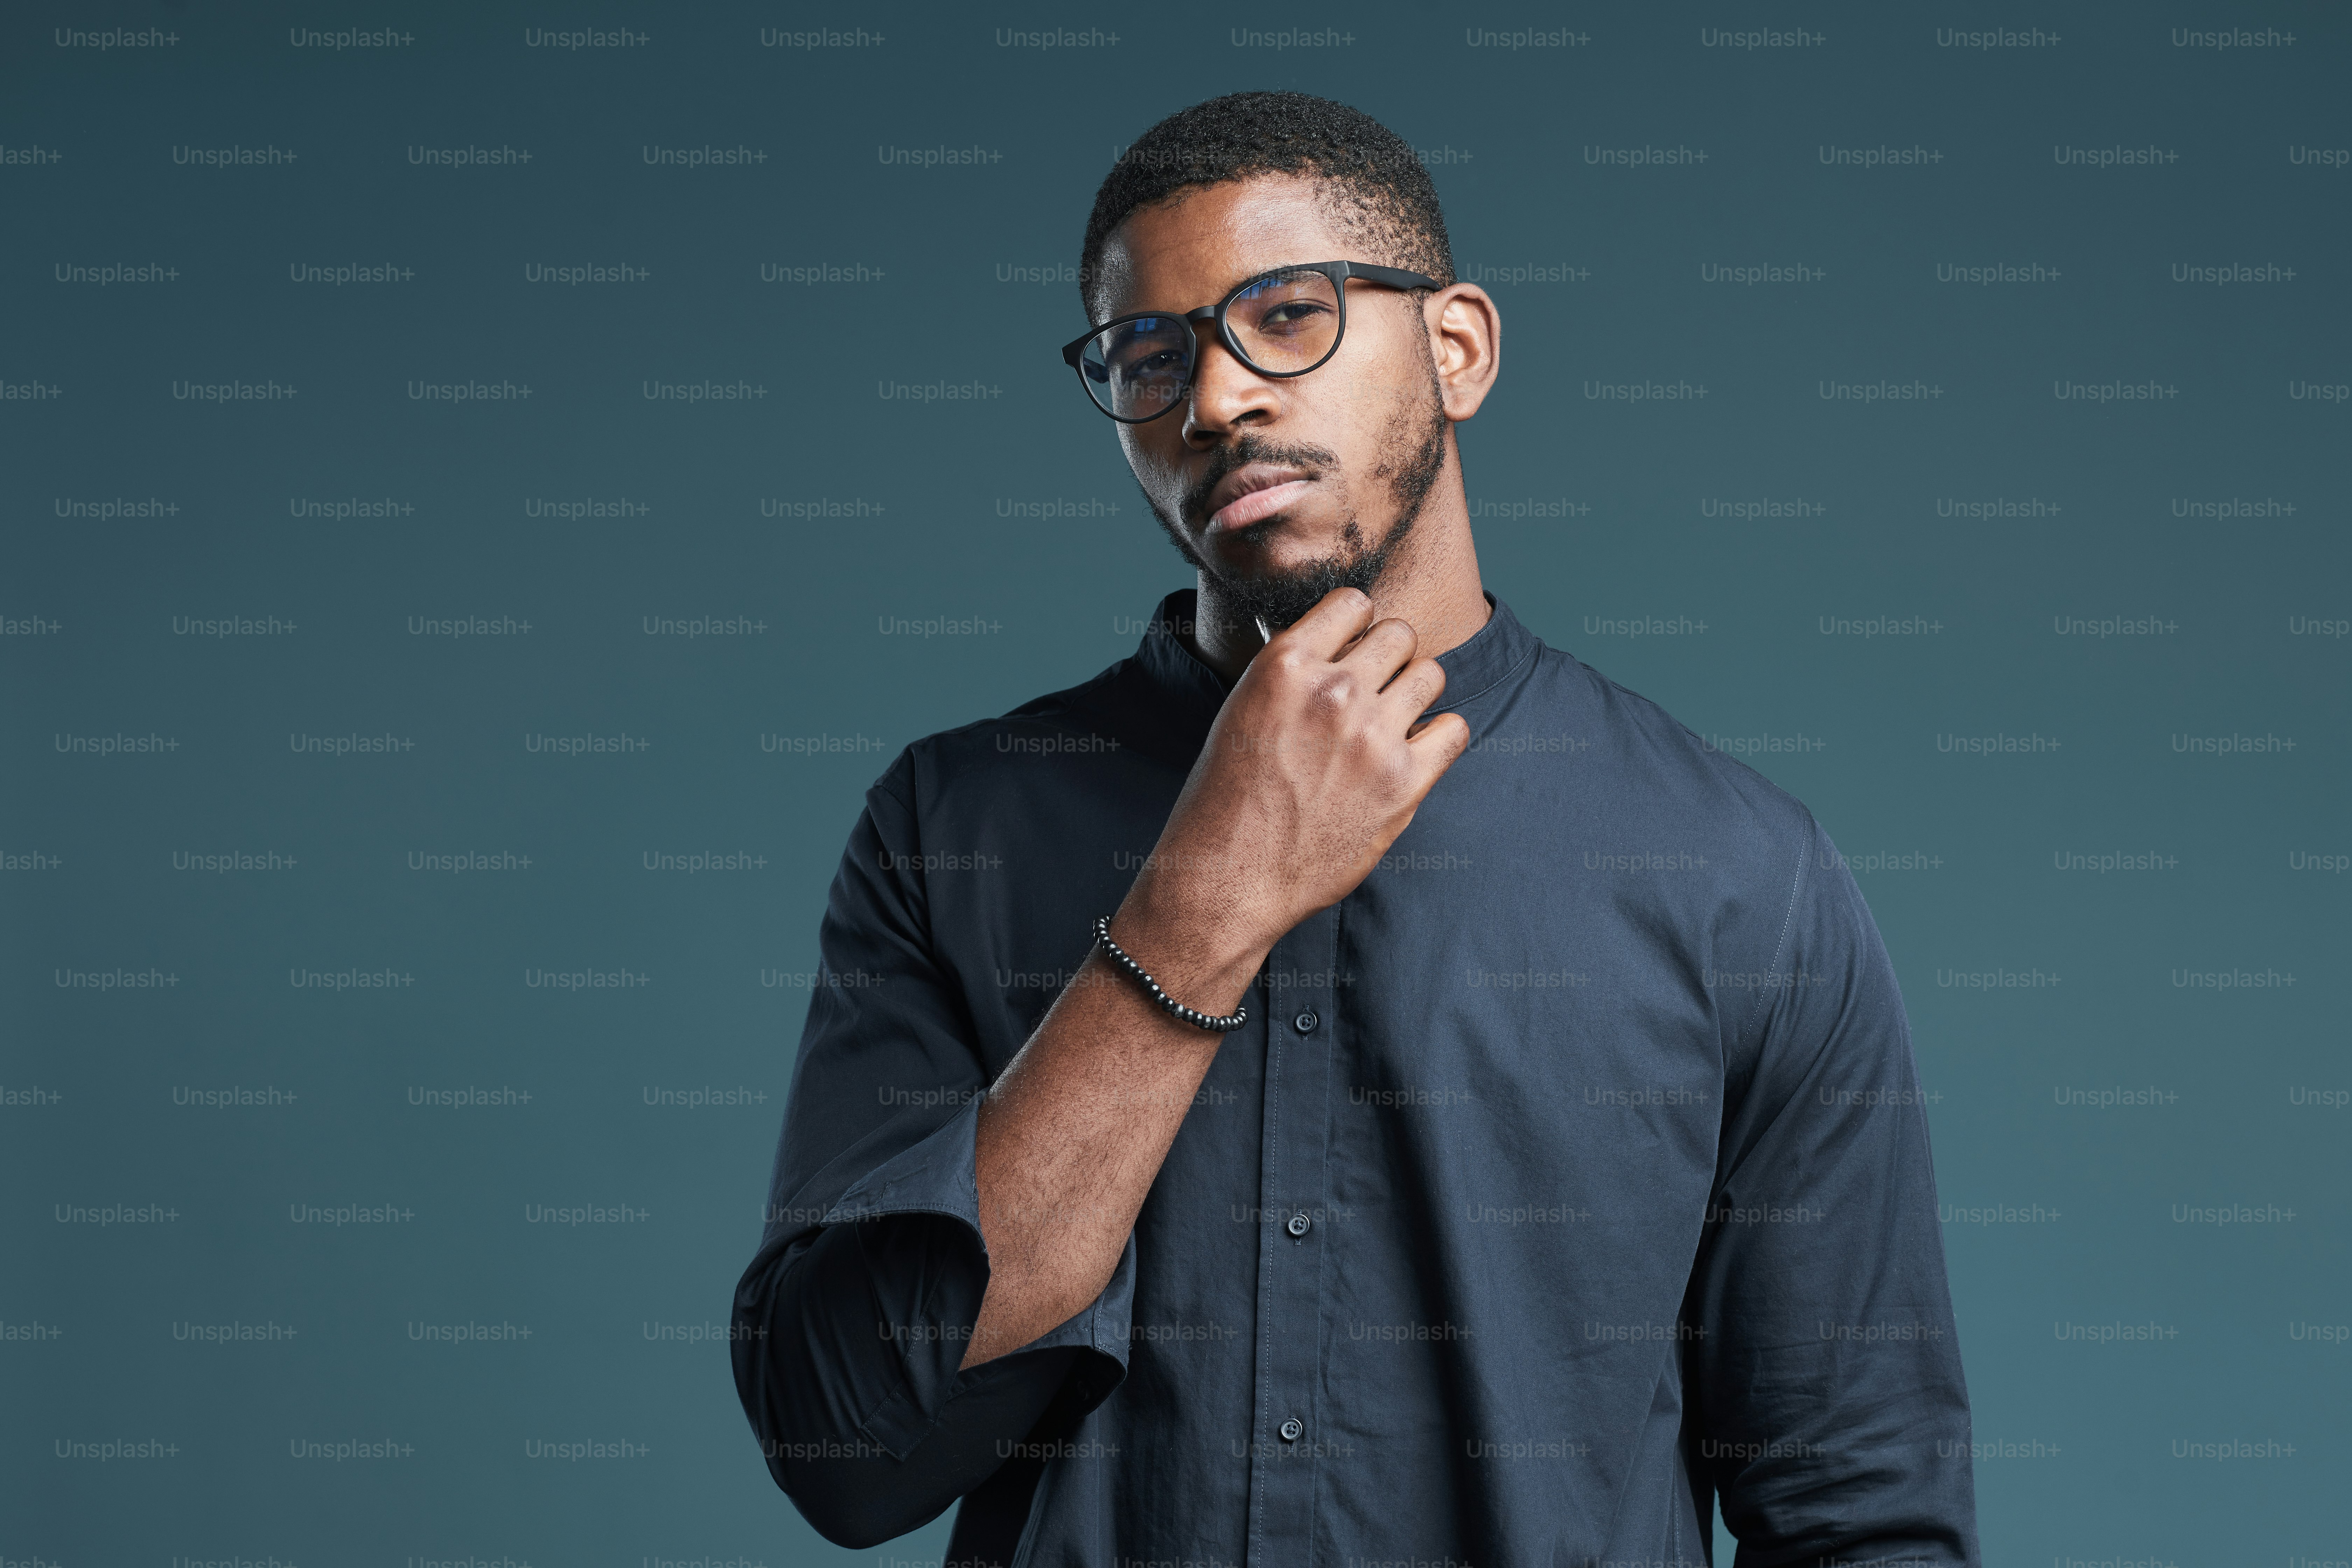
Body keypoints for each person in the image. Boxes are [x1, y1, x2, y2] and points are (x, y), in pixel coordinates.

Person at [731, 90, 1977, 1567]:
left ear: (1457, 350)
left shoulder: (1737, 874)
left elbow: (1860, 1510)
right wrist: (1204, 895)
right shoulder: (951, 827)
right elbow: (849, 1444)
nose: (1217, 399)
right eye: (1152, 354)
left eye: (1288, 316)